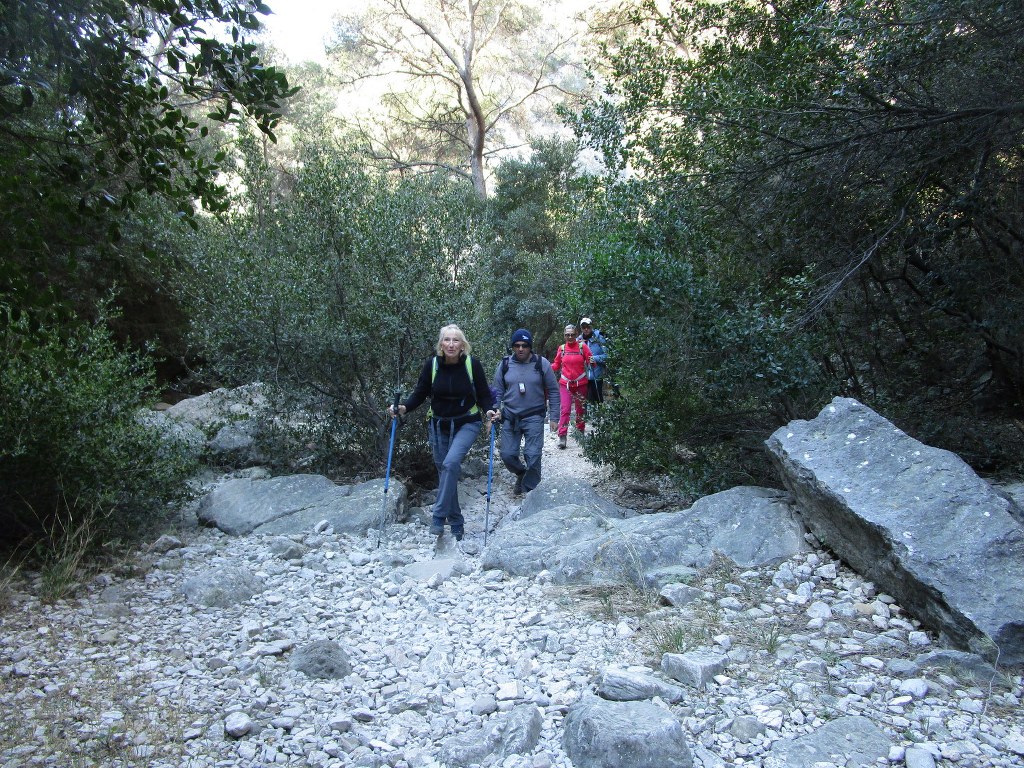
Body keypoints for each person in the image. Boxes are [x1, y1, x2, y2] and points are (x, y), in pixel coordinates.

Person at [389, 324, 495, 540]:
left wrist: (490, 410)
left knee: (450, 463)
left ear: (463, 344)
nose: (451, 344)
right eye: (446, 340)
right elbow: (420, 392)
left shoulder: (471, 364)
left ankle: (438, 517)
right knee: (446, 470)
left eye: (455, 340)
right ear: (440, 344)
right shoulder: (433, 365)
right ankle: (456, 520)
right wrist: (404, 407)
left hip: (467, 422)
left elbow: (484, 393)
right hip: (438, 424)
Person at [486, 329, 560, 495]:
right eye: (517, 345)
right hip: (510, 416)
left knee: (533, 455)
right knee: (507, 454)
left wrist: (555, 416)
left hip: (534, 416)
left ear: (530, 347)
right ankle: (521, 473)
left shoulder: (541, 364)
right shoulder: (505, 365)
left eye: (524, 345)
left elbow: (554, 390)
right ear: (512, 347)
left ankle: (530, 493)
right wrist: (494, 411)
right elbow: (497, 391)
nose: (520, 349)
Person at [551, 323, 593, 448]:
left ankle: (580, 433)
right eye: (567, 335)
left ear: (576, 335)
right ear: (564, 336)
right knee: (565, 410)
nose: (570, 337)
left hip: (581, 383)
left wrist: (593, 362)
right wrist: (545, 367)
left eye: (572, 334)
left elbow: (591, 361)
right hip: (565, 384)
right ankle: (562, 437)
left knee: (580, 410)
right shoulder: (562, 348)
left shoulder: (582, 347)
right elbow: (556, 365)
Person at [578, 317, 609, 404]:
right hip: (583, 376)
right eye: (584, 327)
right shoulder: (578, 340)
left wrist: (594, 358)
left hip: (597, 374)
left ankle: (600, 416)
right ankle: (587, 417)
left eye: (588, 327)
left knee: (598, 398)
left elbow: (607, 356)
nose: (586, 329)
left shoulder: (599, 337)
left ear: (591, 326)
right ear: (581, 328)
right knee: (585, 400)